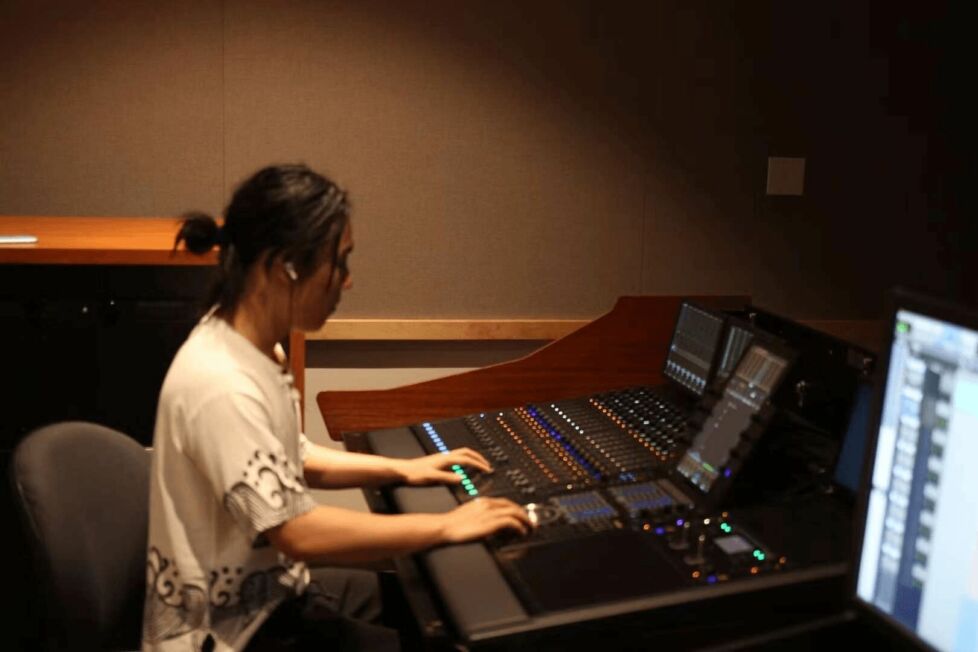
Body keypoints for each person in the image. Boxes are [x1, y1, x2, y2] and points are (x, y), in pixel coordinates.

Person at [143, 164, 532, 652]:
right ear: (286, 267)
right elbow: (297, 532)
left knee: (430, 603)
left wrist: (401, 469)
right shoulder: (222, 384)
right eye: (339, 263)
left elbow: (293, 456)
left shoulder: (250, 346)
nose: (346, 282)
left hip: (273, 597)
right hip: (232, 635)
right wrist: (447, 525)